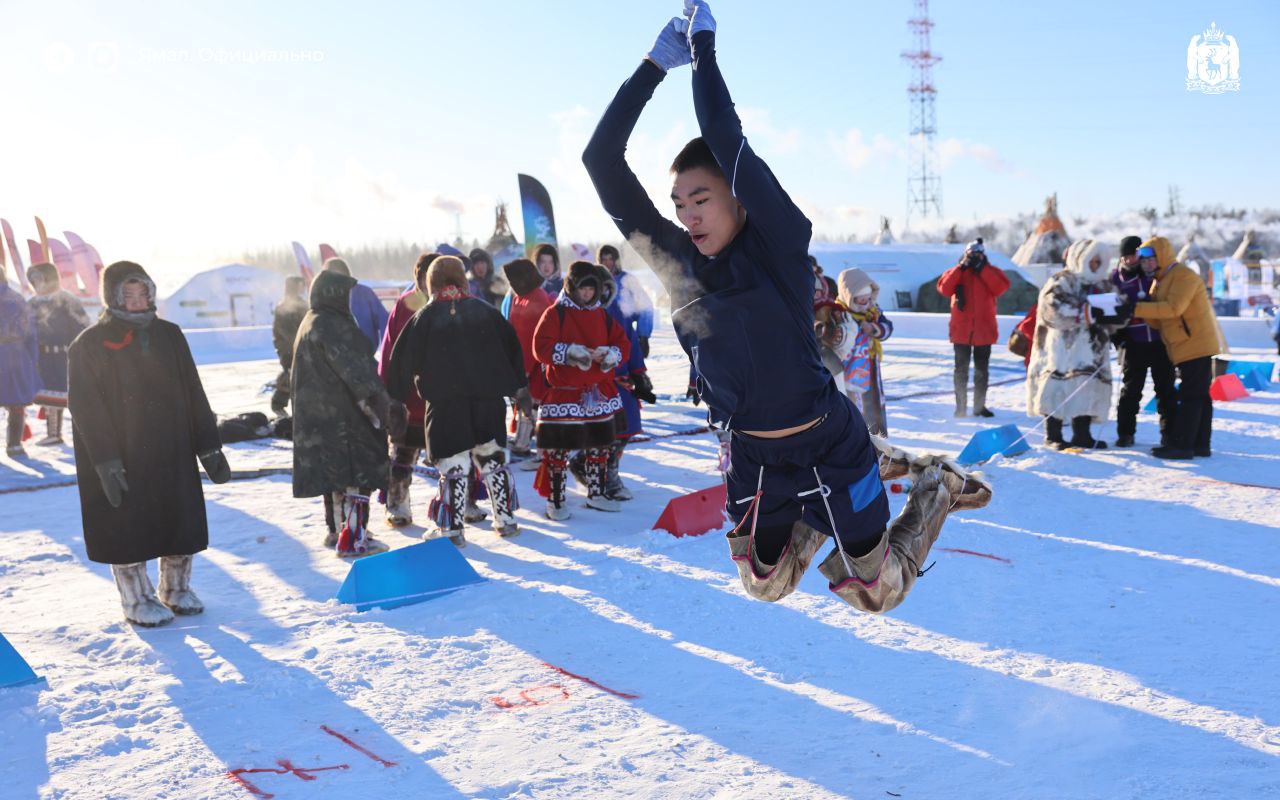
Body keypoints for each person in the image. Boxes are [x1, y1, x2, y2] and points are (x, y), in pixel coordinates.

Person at [582, 1, 989, 613]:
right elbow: (600, 161)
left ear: (739, 200)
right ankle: (841, 500)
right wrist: (652, 65)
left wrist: (703, 54)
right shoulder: (677, 264)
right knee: (763, 583)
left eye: (702, 199)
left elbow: (725, 135)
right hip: (754, 457)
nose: (688, 215)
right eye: (679, 203)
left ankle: (935, 488)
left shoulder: (778, 242)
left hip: (827, 441)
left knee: (873, 592)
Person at [67, 261, 231, 627]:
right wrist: (106, 461)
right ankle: (135, 598)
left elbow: (193, 392)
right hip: (121, 455)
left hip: (171, 450)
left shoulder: (169, 335)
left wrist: (209, 446)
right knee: (129, 526)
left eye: (143, 292)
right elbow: (86, 409)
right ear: (112, 296)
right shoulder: (90, 345)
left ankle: (175, 590)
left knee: (178, 521)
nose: (138, 300)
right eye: (128, 294)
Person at [386, 256, 529, 544]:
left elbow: (399, 361)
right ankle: (506, 519)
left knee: (453, 465)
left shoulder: (424, 318)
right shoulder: (486, 312)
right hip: (487, 402)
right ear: (461, 279)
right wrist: (519, 390)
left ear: (432, 282)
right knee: (492, 459)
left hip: (445, 406)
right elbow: (513, 350)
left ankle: (451, 529)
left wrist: (397, 400)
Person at [291, 268, 407, 556]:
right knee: (360, 473)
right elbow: (358, 374)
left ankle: (337, 532)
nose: (348, 299)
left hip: (319, 421)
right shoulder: (333, 325)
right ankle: (355, 538)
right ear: (334, 294)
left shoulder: (311, 321)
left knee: (334, 478)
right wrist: (385, 409)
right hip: (345, 420)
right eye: (345, 294)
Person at [531, 261, 630, 519]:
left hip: (598, 392)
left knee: (600, 446)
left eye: (591, 289)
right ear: (571, 287)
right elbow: (540, 348)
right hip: (564, 392)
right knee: (558, 451)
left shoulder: (601, 314)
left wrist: (610, 354)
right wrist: (570, 353)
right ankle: (556, 500)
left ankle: (596, 494)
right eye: (582, 288)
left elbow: (622, 343)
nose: (586, 294)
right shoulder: (556, 313)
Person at [570, 264, 656, 501]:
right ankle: (602, 475)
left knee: (626, 427)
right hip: (594, 383)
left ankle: (605, 470)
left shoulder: (619, 309)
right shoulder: (578, 314)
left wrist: (639, 373)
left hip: (622, 379)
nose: (603, 294)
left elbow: (630, 341)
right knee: (603, 430)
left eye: (607, 289)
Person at [1131, 237, 1222, 459]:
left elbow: (1173, 308)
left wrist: (1134, 308)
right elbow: (1157, 319)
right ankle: (1200, 445)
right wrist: (1141, 309)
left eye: (1150, 260)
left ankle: (1182, 446)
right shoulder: (1160, 282)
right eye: (1143, 262)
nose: (1146, 265)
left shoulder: (1183, 276)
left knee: (1191, 396)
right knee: (1200, 396)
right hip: (1184, 346)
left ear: (1161, 256)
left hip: (1196, 344)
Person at [1026, 239, 1123, 450]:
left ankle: (1083, 434)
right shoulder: (1061, 281)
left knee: (1087, 389)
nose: (1095, 266)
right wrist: (1087, 312)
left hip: (1091, 351)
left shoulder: (1103, 284)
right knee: (1056, 388)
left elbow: (1117, 307)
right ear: (1080, 259)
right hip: (1062, 349)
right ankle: (1053, 435)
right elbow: (1053, 310)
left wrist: (1119, 315)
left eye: (1099, 262)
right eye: (1092, 261)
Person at [377, 252, 436, 526]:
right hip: (411, 398)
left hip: (442, 397)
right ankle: (397, 503)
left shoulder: (450, 303)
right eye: (426, 275)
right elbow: (390, 349)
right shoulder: (406, 304)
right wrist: (390, 392)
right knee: (403, 455)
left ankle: (457, 504)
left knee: (454, 456)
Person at [1110, 235, 1176, 447]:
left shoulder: (1153, 275)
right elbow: (1109, 311)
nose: (1131, 260)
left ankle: (1169, 434)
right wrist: (1118, 337)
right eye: (1127, 256)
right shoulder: (1115, 279)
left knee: (1165, 389)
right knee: (1131, 391)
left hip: (1159, 340)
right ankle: (1125, 433)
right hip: (1133, 342)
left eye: (1135, 255)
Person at [936, 237, 1010, 417]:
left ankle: (979, 407)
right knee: (960, 371)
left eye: (978, 255)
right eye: (971, 255)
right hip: (961, 332)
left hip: (984, 332)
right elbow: (944, 289)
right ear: (965, 255)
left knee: (981, 371)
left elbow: (1000, 287)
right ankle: (960, 407)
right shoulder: (956, 272)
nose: (974, 258)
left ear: (983, 256)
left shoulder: (991, 271)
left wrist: (982, 270)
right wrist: (961, 267)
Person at [25, 262, 90, 445]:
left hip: (65, 354)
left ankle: (85, 434)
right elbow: (26, 330)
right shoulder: (32, 303)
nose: (37, 282)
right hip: (42, 356)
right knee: (49, 394)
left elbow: (83, 326)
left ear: (49, 278)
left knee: (70, 394)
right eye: (34, 279)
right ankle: (54, 433)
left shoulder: (67, 299)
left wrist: (80, 351)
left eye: (40, 278)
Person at [501, 258, 554, 466]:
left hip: (536, 365)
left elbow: (535, 338)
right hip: (521, 361)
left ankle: (538, 449)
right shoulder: (520, 297)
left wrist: (525, 368)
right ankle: (523, 442)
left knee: (535, 405)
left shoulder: (538, 300)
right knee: (526, 404)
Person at [835, 268, 894, 436]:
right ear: (849, 296)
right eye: (861, 300)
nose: (866, 304)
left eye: (868, 299)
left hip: (870, 368)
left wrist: (874, 329)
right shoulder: (839, 312)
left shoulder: (873, 312)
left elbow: (888, 327)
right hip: (847, 370)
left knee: (873, 405)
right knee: (852, 408)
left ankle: (878, 437)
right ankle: (855, 437)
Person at [1, 266, 39, 457]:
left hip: (10, 354)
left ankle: (15, 445)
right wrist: (33, 357)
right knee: (16, 403)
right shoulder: (18, 298)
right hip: (17, 354)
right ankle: (14, 445)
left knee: (15, 401)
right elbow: (31, 331)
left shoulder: (16, 299)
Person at [597, 244, 656, 358]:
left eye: (611, 259)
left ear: (616, 260)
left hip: (625, 333)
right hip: (600, 334)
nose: (607, 262)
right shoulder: (594, 281)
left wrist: (643, 336)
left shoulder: (627, 279)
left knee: (631, 370)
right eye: (604, 259)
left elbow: (645, 306)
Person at [323, 257, 389, 354]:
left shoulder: (365, 294)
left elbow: (386, 323)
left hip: (359, 357)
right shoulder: (325, 299)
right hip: (345, 360)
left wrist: (387, 354)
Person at [270, 275, 308, 417]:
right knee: (292, 376)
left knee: (297, 378)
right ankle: (278, 404)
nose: (304, 287)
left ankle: (286, 406)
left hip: (295, 349)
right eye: (301, 284)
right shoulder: (286, 307)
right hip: (291, 350)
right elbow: (284, 332)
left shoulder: (301, 304)